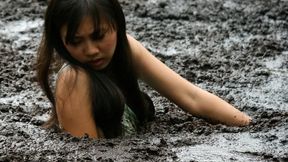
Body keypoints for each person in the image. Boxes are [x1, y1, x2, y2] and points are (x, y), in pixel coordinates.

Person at [36, 0, 251, 139]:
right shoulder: (73, 80)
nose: (91, 50)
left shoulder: (125, 49)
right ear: (60, 41)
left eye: (99, 36)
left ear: (117, 26)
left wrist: (249, 125)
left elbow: (192, 97)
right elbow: (87, 154)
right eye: (75, 41)